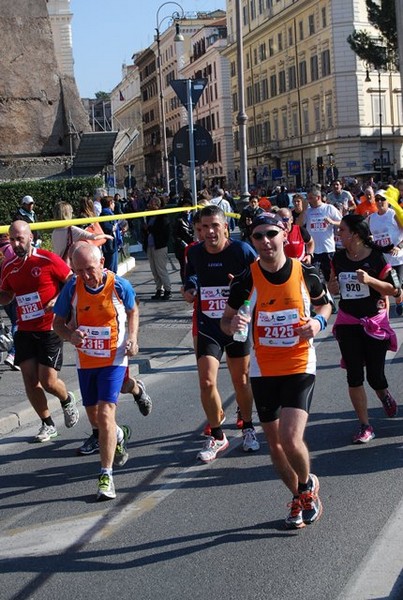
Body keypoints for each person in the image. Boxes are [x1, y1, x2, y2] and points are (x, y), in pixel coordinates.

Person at [220, 212, 332, 528]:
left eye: (271, 234)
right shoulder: (245, 280)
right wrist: (235, 325)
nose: (266, 241)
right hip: (263, 369)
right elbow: (226, 323)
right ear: (251, 241)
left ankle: (307, 484)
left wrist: (317, 322)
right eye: (258, 236)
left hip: (299, 364)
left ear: (284, 234)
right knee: (275, 448)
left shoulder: (305, 272)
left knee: (289, 437)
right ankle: (299, 495)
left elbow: (326, 304)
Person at [53, 244, 139, 500]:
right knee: (96, 420)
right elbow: (57, 324)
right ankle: (117, 433)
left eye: (89, 269)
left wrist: (133, 338)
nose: (85, 276)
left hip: (115, 357)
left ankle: (106, 475)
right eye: (79, 271)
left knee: (105, 413)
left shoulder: (119, 285)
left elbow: (133, 311)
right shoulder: (72, 287)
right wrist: (70, 335)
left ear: (102, 262)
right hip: (87, 359)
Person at [183, 204, 260, 462]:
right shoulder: (194, 253)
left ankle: (248, 427)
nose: (210, 232)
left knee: (241, 381)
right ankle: (217, 435)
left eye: (215, 226)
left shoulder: (241, 250)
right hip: (208, 325)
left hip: (237, 324)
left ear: (225, 227)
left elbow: (261, 281)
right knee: (206, 381)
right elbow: (190, 277)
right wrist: (190, 290)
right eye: (204, 227)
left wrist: (241, 294)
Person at [0, 221, 79, 442]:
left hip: (49, 327)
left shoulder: (47, 259)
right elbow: (7, 294)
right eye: (12, 239)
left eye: (20, 238)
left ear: (30, 236)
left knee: (48, 381)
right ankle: (47, 424)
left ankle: (66, 400)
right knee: (30, 380)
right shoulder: (8, 266)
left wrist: (57, 300)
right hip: (25, 329)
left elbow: (72, 281)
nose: (16, 243)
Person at [328, 214, 400, 444]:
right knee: (354, 376)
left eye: (342, 231)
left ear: (355, 235)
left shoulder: (377, 258)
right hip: (348, 321)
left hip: (374, 322)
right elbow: (332, 284)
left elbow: (396, 291)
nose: (338, 235)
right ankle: (365, 425)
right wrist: (333, 286)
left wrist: (369, 281)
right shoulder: (338, 258)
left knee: (375, 376)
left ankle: (383, 393)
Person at [367, 189, 403, 315]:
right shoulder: (371, 218)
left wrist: (399, 246)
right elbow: (367, 235)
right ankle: (383, 316)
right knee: (382, 289)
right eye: (377, 199)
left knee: (396, 286)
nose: (380, 202)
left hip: (396, 257)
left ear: (388, 201)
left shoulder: (394, 214)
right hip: (381, 259)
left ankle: (399, 301)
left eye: (382, 199)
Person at [305, 184, 342, 283]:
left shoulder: (329, 208)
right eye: (307, 198)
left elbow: (342, 222)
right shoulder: (307, 211)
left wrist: (332, 222)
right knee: (314, 279)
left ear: (318, 197)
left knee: (331, 278)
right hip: (314, 251)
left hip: (328, 250)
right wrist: (304, 209)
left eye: (310, 198)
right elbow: (299, 224)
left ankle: (332, 297)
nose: (308, 200)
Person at [143, 196, 172, 301]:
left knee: (161, 269)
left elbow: (162, 231)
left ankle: (167, 289)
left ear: (157, 205)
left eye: (152, 203)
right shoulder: (149, 216)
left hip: (159, 246)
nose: (150, 205)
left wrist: (149, 228)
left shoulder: (163, 217)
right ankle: (159, 289)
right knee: (154, 269)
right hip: (150, 245)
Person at [0, 232, 19, 370]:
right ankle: (13, 353)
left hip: (3, 292)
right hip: (10, 289)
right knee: (16, 321)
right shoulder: (11, 250)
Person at [173, 199, 194, 284]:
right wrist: (183, 243)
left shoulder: (195, 216)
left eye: (188, 206)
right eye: (185, 206)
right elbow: (174, 234)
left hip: (193, 245)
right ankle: (185, 285)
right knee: (184, 267)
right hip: (182, 248)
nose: (187, 208)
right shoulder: (178, 218)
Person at [100, 196, 120, 273]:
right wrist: (114, 227)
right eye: (113, 203)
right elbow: (107, 227)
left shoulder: (110, 213)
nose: (114, 205)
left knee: (113, 268)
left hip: (113, 244)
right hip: (109, 245)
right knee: (110, 268)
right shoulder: (105, 214)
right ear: (110, 203)